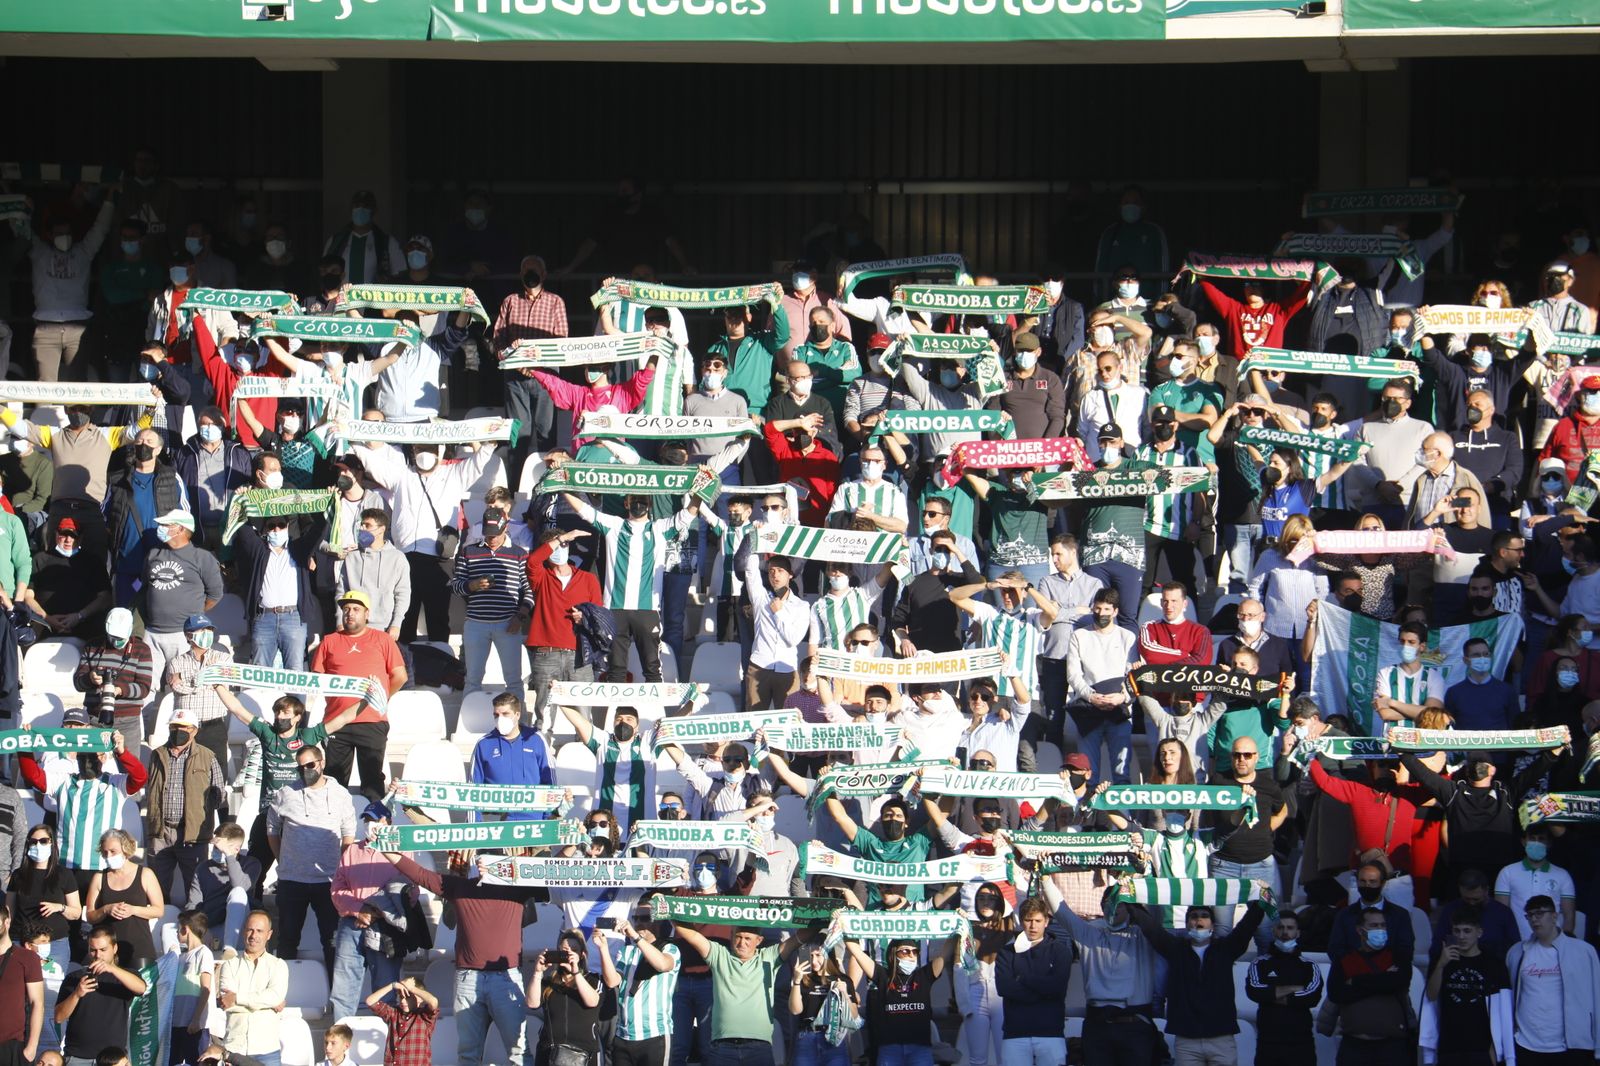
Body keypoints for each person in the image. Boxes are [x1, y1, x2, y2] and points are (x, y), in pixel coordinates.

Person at [374, 848, 543, 1066]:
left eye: (493, 862)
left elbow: (552, 871)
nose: (485, 866)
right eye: (482, 862)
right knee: (468, 1054)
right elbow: (419, 874)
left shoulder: (517, 889)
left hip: (506, 979)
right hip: (468, 978)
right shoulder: (460, 887)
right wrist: (384, 845)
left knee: (519, 1052)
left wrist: (570, 840)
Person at [1128, 899, 1268, 1066]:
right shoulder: (1176, 949)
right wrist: (1130, 901)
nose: (1199, 920)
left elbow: (1247, 926)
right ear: (1187, 924)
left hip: (1221, 1039)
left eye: (1204, 916)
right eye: (1194, 916)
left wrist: (1261, 903)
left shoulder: (1226, 949)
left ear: (1213, 925)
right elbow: (1152, 929)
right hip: (1187, 1041)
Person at [267, 744, 356, 985]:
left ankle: (334, 994)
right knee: (286, 939)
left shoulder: (341, 795)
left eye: (310, 765)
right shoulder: (285, 792)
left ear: (322, 762)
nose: (305, 770)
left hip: (327, 880)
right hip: (291, 880)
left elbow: (349, 834)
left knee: (332, 941)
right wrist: (282, 860)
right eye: (300, 767)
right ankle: (282, 991)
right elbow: (272, 830)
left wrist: (342, 869)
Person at [312, 590, 408, 802]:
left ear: (367, 613)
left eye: (356, 609)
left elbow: (400, 676)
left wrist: (381, 698)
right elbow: (316, 680)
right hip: (337, 723)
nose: (350, 613)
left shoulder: (383, 640)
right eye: (346, 609)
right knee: (333, 782)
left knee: (373, 782)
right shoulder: (329, 641)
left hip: (372, 721)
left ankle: (375, 830)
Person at [669, 922, 803, 1066]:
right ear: (731, 936)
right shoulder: (720, 955)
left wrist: (826, 915)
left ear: (759, 941)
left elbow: (799, 938)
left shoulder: (770, 956)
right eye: (738, 937)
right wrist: (667, 910)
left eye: (747, 939)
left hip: (759, 1049)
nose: (742, 943)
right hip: (722, 1048)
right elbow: (692, 935)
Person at [142, 706, 223, 909]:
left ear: (194, 730)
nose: (178, 730)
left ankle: (193, 931)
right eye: (174, 726)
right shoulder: (157, 754)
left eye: (184, 727)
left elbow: (219, 793)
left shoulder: (208, 756)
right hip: (161, 830)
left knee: (195, 889)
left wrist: (205, 817)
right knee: (157, 888)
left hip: (192, 834)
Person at [452, 507, 532, 705]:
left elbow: (529, 592)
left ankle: (518, 723)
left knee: (514, 680)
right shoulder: (468, 552)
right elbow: (456, 586)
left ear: (505, 528)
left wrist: (519, 617)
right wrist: (472, 585)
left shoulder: (519, 554)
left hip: (509, 623)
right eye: (488, 534)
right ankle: (469, 719)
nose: (492, 538)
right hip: (476, 623)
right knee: (472, 679)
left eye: (495, 534)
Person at [139, 508, 223, 689]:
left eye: (166, 525)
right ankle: (144, 718)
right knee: (146, 686)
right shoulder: (154, 554)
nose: (160, 528)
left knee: (180, 686)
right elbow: (145, 586)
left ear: (181, 529)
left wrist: (195, 614)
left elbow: (215, 594)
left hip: (184, 635)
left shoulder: (202, 557)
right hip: (152, 632)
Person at [1423, 905, 1513, 1066]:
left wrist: (1496, 1046)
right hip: (1449, 1046)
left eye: (1467, 931)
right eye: (1457, 931)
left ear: (1479, 932)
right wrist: (1441, 965)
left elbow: (1504, 1009)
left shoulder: (1494, 964)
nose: (1461, 936)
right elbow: (1431, 995)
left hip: (1482, 1047)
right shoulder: (1442, 959)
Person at [1066, 588, 1137, 783]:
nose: (1102, 613)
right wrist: (1091, 697)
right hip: (1089, 708)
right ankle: (1088, 813)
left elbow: (1133, 676)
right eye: (1098, 608)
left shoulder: (1128, 637)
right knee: (1088, 774)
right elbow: (1073, 675)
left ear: (1115, 611)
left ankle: (1125, 814)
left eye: (1107, 609)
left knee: (1122, 772)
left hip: (1119, 709)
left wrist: (1122, 697)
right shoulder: (1079, 635)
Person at [1327, 909, 1414, 1066]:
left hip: (1392, 1047)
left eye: (1383, 925)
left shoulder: (1398, 956)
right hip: (1354, 1047)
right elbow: (1337, 993)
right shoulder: (1344, 960)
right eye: (1374, 925)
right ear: (1360, 930)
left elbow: (1398, 983)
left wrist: (1356, 980)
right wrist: (1382, 980)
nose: (1380, 929)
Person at [55, 926, 145, 1066]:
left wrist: (112, 969)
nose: (98, 955)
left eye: (103, 950)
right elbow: (59, 1017)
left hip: (113, 1059)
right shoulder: (74, 977)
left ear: (114, 948)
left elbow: (141, 988)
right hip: (78, 1057)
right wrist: (77, 994)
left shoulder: (125, 976)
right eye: (93, 950)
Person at [71, 608, 152, 757]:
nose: (116, 641)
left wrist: (119, 690)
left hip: (128, 721)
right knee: (91, 767)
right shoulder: (92, 646)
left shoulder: (142, 650)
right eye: (113, 637)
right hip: (94, 718)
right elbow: (77, 683)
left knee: (128, 770)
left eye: (120, 638)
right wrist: (90, 678)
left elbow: (144, 687)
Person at [1244, 913, 1323, 1066]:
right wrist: (1295, 988)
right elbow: (1255, 991)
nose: (1285, 932)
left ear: (1298, 933)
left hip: (1302, 1044)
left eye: (1290, 928)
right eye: (1281, 927)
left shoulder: (1309, 965)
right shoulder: (1259, 964)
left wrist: (1271, 995)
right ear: (1274, 931)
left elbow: (1312, 997)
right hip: (1268, 1044)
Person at [216, 911, 289, 1066]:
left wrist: (237, 998)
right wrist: (266, 1004)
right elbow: (227, 1005)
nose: (253, 935)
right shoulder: (229, 965)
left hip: (267, 1050)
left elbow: (274, 997)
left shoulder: (278, 965)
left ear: (269, 934)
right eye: (250, 930)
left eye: (259, 931)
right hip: (234, 1049)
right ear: (244, 931)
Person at [82, 828, 161, 969]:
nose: (109, 855)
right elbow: (90, 915)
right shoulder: (99, 878)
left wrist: (133, 910)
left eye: (113, 851)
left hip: (138, 948)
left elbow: (159, 910)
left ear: (125, 849)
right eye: (105, 852)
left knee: (141, 988)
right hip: (107, 952)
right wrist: (106, 909)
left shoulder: (145, 874)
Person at [163, 614, 234, 768]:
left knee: (217, 772)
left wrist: (186, 677)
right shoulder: (177, 662)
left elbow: (223, 681)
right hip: (185, 726)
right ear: (189, 635)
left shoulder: (223, 657)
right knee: (183, 770)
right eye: (202, 630)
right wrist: (207, 677)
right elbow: (177, 686)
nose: (207, 633)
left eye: (209, 629)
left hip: (214, 725)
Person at [469, 693, 552, 821]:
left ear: (517, 715)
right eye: (496, 715)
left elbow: (550, 781)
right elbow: (473, 789)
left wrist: (548, 818)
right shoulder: (483, 744)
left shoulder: (536, 739)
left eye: (505, 714)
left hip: (533, 820)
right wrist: (474, 826)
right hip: (496, 823)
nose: (500, 718)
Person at [7, 825, 80, 971]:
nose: (38, 845)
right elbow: (9, 912)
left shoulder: (64, 875)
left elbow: (76, 912)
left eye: (43, 841)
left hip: (54, 944)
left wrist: (59, 907)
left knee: (52, 986)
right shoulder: (18, 875)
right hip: (21, 942)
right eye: (33, 841)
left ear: (52, 843)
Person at [529, 935, 609, 1066]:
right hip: (549, 1052)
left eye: (573, 950)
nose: (568, 954)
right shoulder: (548, 982)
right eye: (564, 950)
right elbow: (532, 1003)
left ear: (582, 954)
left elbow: (593, 1001)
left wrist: (576, 973)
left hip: (584, 1054)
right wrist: (537, 973)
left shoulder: (594, 980)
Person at [0, 899, 43, 1066]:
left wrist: (31, 1049)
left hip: (13, 1047)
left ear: (7, 921)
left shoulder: (27, 958)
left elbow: (37, 1003)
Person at [170, 909, 215, 1066]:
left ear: (185, 928)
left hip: (194, 1026)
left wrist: (196, 1020)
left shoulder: (204, 953)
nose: (176, 932)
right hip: (177, 1024)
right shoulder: (180, 957)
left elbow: (206, 988)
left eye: (178, 928)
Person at [366, 976, 439, 1066]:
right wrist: (392, 985)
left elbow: (433, 1002)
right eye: (401, 997)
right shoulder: (393, 1013)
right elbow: (370, 1001)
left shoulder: (424, 1016)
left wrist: (412, 988)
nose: (403, 1001)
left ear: (420, 998)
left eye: (407, 997)